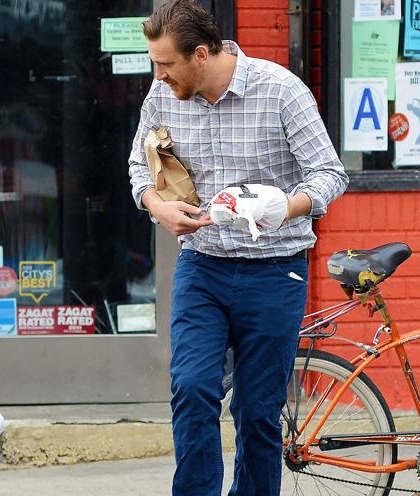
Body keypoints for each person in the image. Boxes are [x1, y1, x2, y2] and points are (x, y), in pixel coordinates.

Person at [128, 1, 349, 495]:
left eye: (165, 64)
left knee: (257, 412)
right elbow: (139, 166)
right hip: (202, 267)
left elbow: (331, 175)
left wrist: (286, 207)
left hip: (275, 272)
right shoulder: (163, 96)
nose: (157, 75)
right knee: (191, 389)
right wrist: (156, 206)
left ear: (201, 54)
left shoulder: (281, 90)